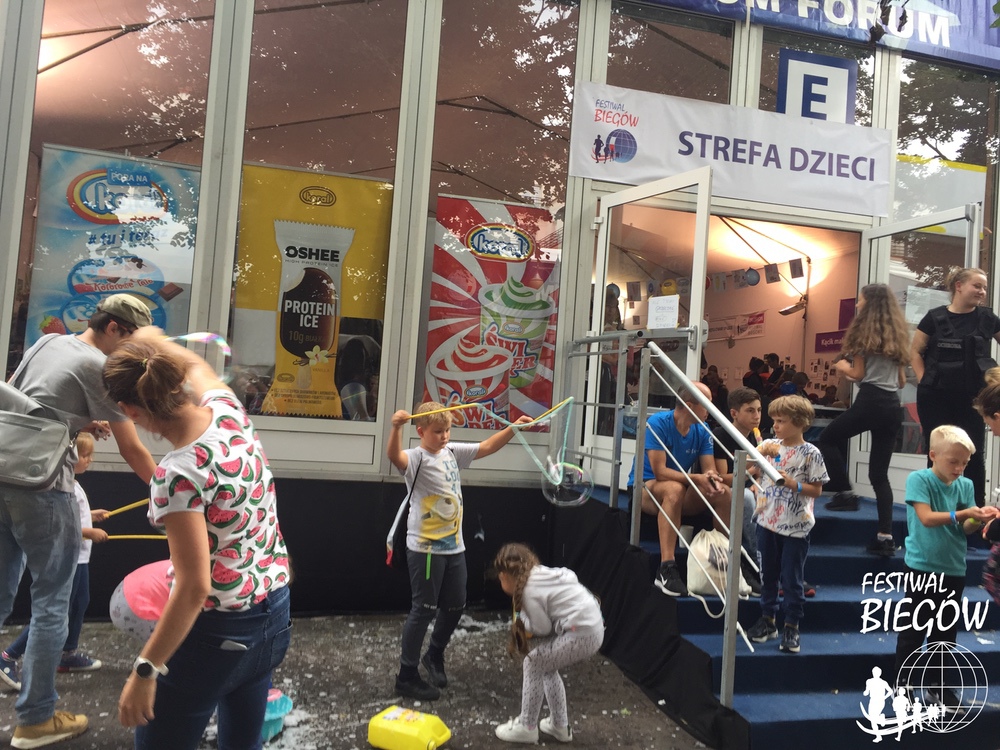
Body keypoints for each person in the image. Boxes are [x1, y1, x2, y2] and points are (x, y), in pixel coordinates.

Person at [103, 327, 292, 749]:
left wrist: (145, 669)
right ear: (176, 380)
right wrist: (155, 340)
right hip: (275, 612)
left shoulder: (176, 474)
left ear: (130, 412)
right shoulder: (228, 411)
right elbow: (197, 364)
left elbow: (193, 587)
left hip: (218, 632)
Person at [0, 293, 156, 749]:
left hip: (4, 473)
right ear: (114, 328)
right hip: (45, 487)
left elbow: (22, 403)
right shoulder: (98, 368)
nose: (133, 353)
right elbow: (133, 448)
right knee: (53, 602)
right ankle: (36, 719)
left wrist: (81, 423)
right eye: (132, 341)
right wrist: (171, 492)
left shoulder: (49, 343)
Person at [386, 402, 532, 701]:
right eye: (437, 431)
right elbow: (394, 456)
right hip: (426, 549)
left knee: (455, 605)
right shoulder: (416, 458)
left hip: (454, 547)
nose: (444, 436)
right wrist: (396, 428)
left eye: (447, 430)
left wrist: (513, 428)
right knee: (423, 609)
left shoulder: (452, 452)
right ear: (421, 431)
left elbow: (487, 446)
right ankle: (407, 675)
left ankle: (434, 654)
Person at [892, 426, 995, 707]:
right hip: (922, 567)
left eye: (965, 463)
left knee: (945, 633)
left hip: (953, 568)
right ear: (933, 455)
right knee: (913, 630)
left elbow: (966, 528)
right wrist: (965, 513)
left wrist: (979, 518)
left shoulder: (965, 485)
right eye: (953, 461)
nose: (959, 468)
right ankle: (903, 686)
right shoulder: (919, 479)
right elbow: (926, 518)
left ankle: (937, 686)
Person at [1, 433, 109, 690]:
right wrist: (88, 531)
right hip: (70, 556)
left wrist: (91, 514)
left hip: (81, 557)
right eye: (84, 455)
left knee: (80, 602)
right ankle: (9, 655)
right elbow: (62, 524)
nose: (89, 460)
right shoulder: (63, 487)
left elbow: (74, 514)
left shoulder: (74, 485)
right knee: (55, 611)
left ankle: (67, 653)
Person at [818, 284, 910, 559]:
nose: (857, 305)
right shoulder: (898, 339)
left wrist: (842, 366)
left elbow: (857, 374)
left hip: (870, 400)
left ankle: (845, 493)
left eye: (860, 301)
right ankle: (885, 537)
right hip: (892, 405)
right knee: (879, 475)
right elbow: (901, 381)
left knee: (827, 438)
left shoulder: (862, 336)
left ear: (869, 304)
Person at [491, 543, 604, 744]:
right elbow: (569, 577)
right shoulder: (539, 573)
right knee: (547, 667)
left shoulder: (529, 591)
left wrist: (523, 620)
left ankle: (527, 726)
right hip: (593, 628)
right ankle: (559, 726)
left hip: (582, 634)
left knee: (533, 663)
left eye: (500, 578)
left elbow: (542, 628)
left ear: (505, 576)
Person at [628, 382, 729, 597]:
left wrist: (712, 479)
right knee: (674, 489)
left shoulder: (703, 429)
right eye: (707, 404)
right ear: (689, 405)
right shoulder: (657, 423)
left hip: (680, 489)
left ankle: (722, 563)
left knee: (724, 493)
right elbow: (660, 472)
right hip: (645, 487)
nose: (711, 409)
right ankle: (666, 568)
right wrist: (696, 478)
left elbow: (709, 468)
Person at [746, 395, 829, 654]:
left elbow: (817, 490)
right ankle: (767, 619)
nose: (775, 426)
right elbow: (748, 466)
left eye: (781, 421)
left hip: (795, 526)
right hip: (767, 521)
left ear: (800, 422)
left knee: (791, 578)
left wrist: (793, 484)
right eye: (774, 420)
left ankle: (792, 625)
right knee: (767, 574)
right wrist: (758, 457)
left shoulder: (811, 453)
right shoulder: (769, 445)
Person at [911, 267, 1000, 507]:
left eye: (984, 287)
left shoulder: (988, 318)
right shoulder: (934, 317)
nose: (982, 292)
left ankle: (974, 510)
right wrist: (923, 379)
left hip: (974, 397)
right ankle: (934, 508)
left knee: (974, 452)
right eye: (977, 286)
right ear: (958, 286)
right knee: (937, 451)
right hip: (935, 396)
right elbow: (915, 352)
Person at [711, 386, 764, 595]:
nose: (757, 416)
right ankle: (755, 565)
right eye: (750, 411)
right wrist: (751, 473)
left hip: (746, 487)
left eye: (759, 410)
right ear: (734, 413)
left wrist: (756, 481)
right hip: (726, 491)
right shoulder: (721, 435)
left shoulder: (756, 437)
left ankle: (780, 567)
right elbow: (722, 477)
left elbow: (759, 473)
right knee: (748, 498)